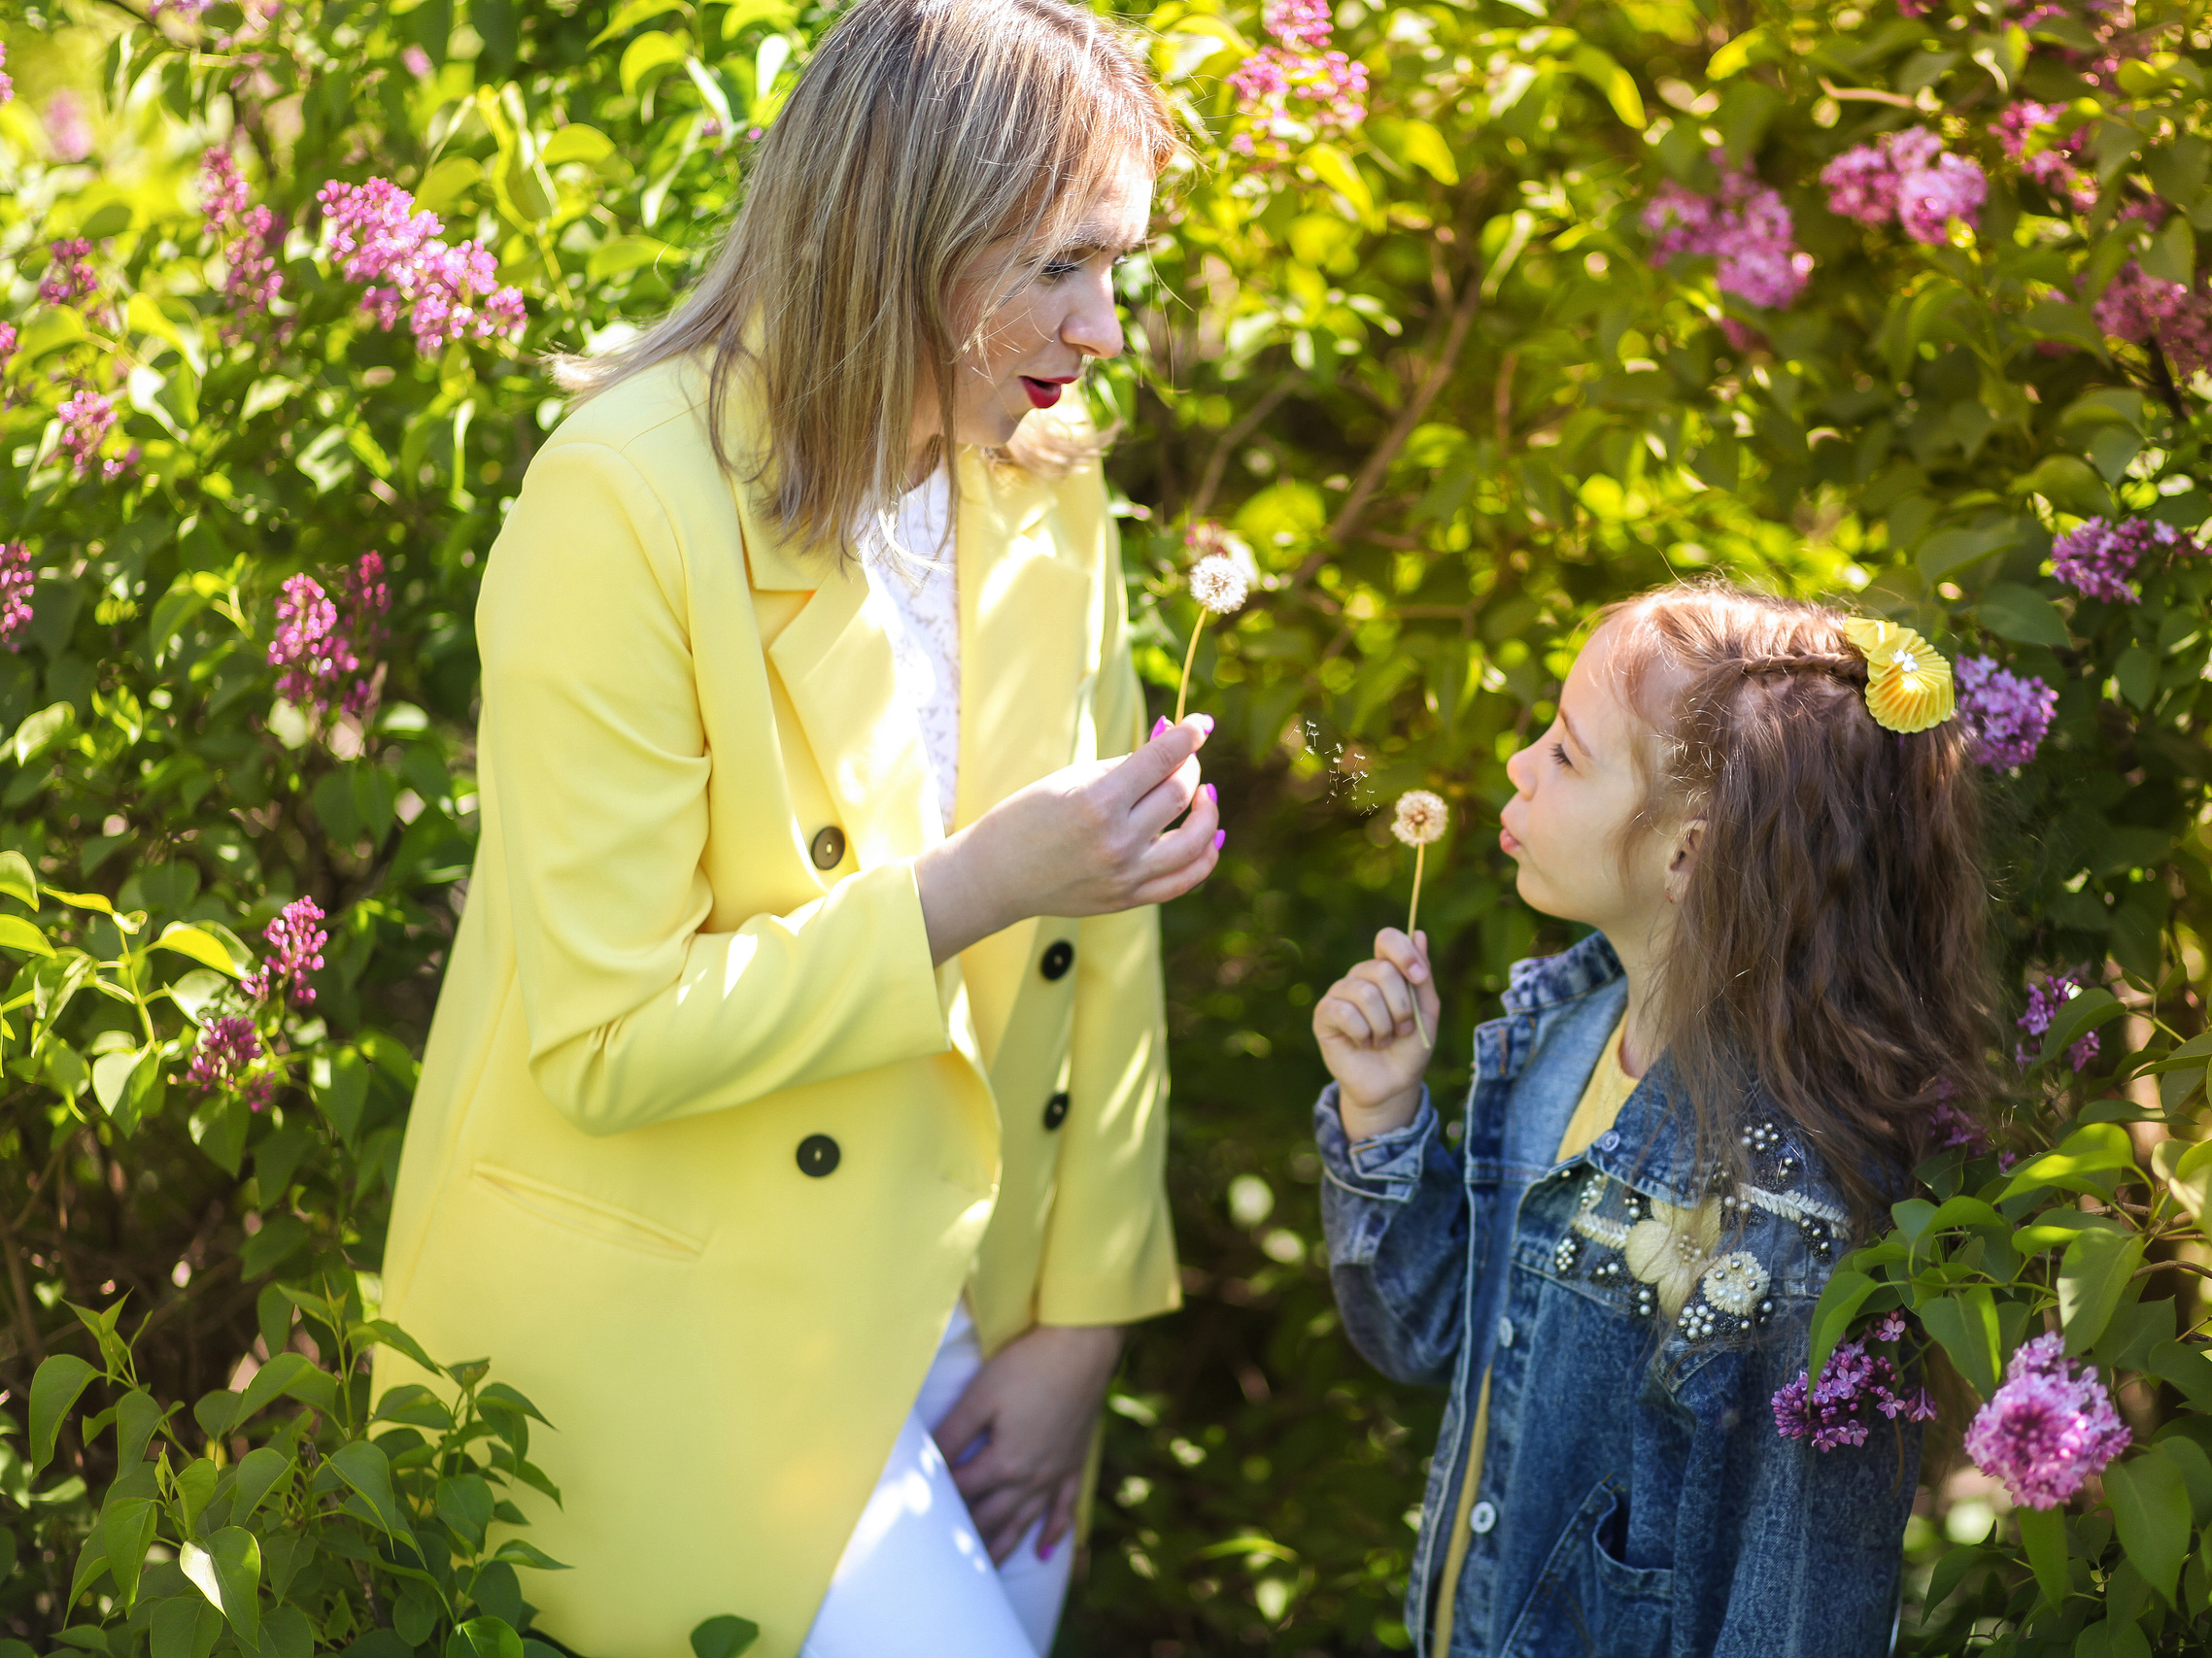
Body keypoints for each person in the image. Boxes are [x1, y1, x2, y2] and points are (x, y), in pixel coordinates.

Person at [371, 4, 1212, 1653]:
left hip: (983, 1314)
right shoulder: (623, 500)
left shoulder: (1045, 474)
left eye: (1117, 267)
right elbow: (608, 1034)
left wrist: (1086, 1317)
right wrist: (972, 888)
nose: (1102, 326)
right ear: (907, 236)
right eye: (1060, 266)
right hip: (691, 1323)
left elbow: (1105, 935)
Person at [1310, 584, 1994, 1655]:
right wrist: (1381, 1113)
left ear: (1686, 854)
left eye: (1568, 756)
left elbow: (1796, 1624)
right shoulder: (1558, 1044)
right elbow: (1422, 1334)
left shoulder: (1794, 1224)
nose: (1517, 766)